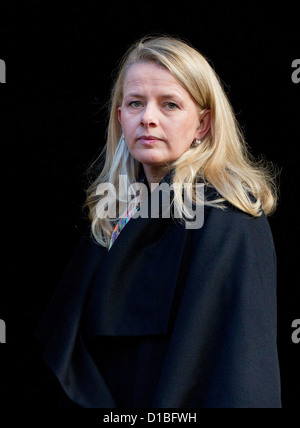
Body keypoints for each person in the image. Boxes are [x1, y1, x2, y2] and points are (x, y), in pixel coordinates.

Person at [35, 35, 282, 408]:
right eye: (135, 103)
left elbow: (239, 369)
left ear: (202, 124)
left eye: (169, 105)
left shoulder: (229, 219)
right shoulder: (111, 218)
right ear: (120, 117)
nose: (148, 117)